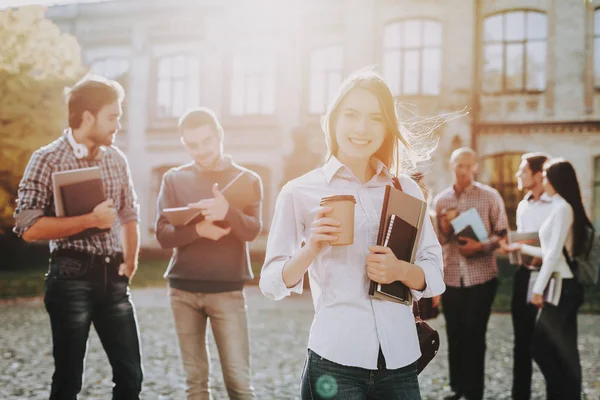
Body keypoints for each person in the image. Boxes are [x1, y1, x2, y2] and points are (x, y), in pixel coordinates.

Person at [260, 69, 446, 399]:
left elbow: (434, 274)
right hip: (335, 361)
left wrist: (400, 270)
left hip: (400, 363)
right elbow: (271, 283)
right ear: (332, 120)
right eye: (351, 115)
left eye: (375, 118)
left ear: (387, 126)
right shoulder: (300, 191)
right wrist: (312, 246)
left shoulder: (406, 189)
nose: (362, 128)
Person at [13, 77, 143, 399]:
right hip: (70, 275)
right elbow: (28, 227)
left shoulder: (116, 159)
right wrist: (91, 220)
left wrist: (131, 260)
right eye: (112, 116)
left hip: (113, 277)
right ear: (87, 117)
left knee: (131, 377)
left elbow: (129, 213)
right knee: (69, 380)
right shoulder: (46, 159)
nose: (119, 125)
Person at [155, 107, 263, 400]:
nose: (200, 151)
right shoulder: (173, 179)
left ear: (219, 136)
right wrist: (199, 230)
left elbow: (253, 230)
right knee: (195, 385)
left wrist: (227, 212)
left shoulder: (247, 179)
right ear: (184, 144)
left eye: (206, 142)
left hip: (227, 291)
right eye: (192, 145)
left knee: (239, 383)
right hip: (182, 291)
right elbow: (163, 235)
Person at [502, 159, 590, 400]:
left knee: (540, 346)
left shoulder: (562, 208)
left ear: (555, 180)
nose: (543, 179)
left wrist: (538, 290)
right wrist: (520, 248)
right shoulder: (561, 206)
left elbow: (552, 255)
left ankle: (564, 393)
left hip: (563, 285)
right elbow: (550, 251)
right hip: (562, 282)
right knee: (559, 348)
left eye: (546, 176)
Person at [433, 147, 509, 400]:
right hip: (452, 277)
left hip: (482, 277)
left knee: (475, 335)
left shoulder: (490, 196)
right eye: (459, 165)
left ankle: (475, 392)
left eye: (468, 166)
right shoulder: (442, 200)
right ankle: (458, 388)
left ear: (475, 167)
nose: (463, 170)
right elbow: (440, 241)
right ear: (450, 166)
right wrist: (444, 228)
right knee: (454, 334)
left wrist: (481, 246)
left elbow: (502, 233)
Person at [509, 153, 553, 400]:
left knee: (548, 343)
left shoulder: (556, 205)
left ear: (539, 175)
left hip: (549, 277)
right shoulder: (523, 205)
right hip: (524, 275)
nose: (518, 175)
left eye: (523, 171)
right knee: (521, 342)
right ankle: (520, 395)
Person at [412, 172, 441, 320]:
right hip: (408, 278)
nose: (425, 189)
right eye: (420, 186)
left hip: (425, 278)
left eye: (425, 185)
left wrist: (435, 289)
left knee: (422, 329)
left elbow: (433, 253)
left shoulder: (430, 215)